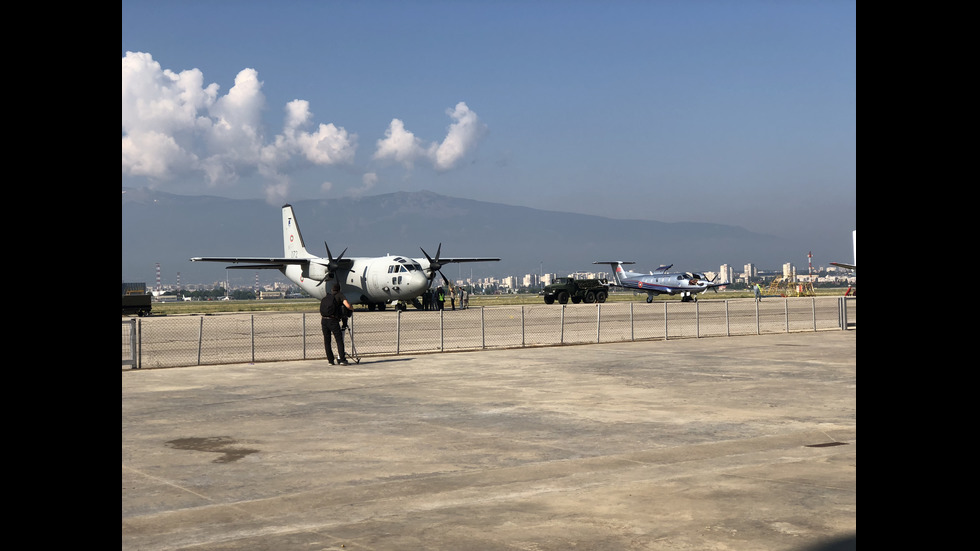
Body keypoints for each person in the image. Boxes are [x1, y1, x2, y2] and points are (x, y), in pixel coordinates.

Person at [320, 283, 353, 365]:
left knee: (327, 341)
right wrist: (352, 308)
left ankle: (330, 361)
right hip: (333, 320)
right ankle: (342, 359)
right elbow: (347, 305)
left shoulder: (328, 297)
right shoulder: (340, 295)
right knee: (339, 340)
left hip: (324, 320)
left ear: (332, 289)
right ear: (339, 289)